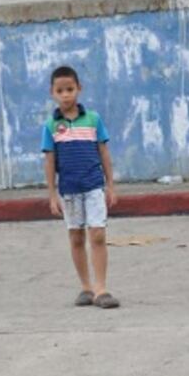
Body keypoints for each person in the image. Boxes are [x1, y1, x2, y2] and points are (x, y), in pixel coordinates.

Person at [42, 65, 119, 309]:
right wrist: (52, 194)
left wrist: (110, 185)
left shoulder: (93, 120)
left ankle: (101, 288)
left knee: (98, 235)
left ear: (79, 89)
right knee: (76, 238)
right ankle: (86, 287)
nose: (66, 95)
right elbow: (50, 161)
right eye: (60, 91)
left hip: (93, 186)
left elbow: (104, 152)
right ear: (52, 93)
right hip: (69, 190)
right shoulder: (51, 126)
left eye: (70, 89)